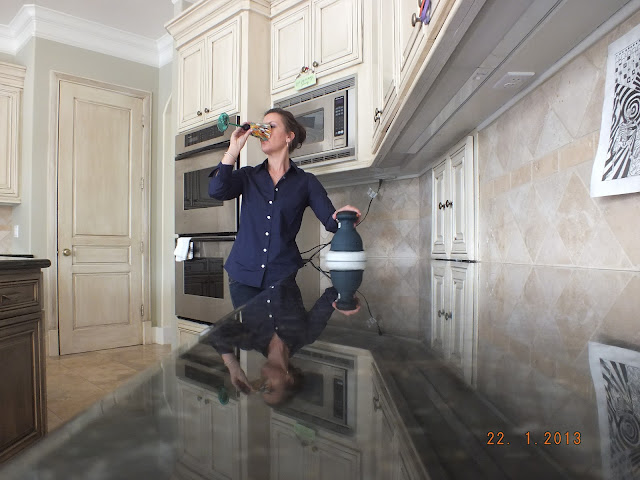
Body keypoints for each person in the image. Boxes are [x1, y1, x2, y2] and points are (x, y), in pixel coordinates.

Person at [208, 107, 361, 302]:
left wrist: (344, 216)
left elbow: (332, 223)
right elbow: (216, 190)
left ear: (289, 136)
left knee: (290, 323)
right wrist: (234, 149)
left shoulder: (306, 182)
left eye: (271, 126)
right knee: (250, 324)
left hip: (282, 278)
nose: (264, 132)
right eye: (263, 127)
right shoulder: (248, 176)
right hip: (242, 278)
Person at [201, 274, 338, 406]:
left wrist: (232, 366)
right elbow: (331, 296)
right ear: (289, 379)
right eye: (270, 389)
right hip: (278, 263)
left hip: (244, 268)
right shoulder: (306, 335)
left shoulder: (250, 341)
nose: (263, 386)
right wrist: (345, 300)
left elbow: (216, 332)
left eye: (263, 390)